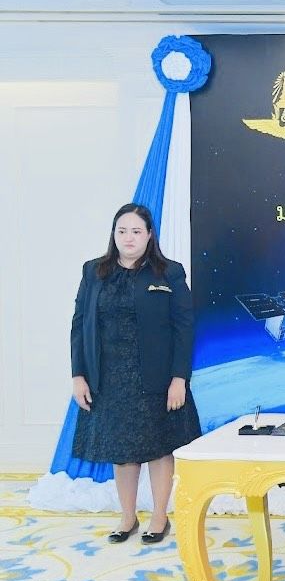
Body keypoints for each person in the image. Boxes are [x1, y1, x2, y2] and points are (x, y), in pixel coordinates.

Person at [70, 203, 200, 545]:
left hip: (157, 379)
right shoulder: (93, 271)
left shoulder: (168, 273)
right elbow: (79, 324)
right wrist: (78, 374)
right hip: (108, 379)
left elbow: (184, 328)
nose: (129, 238)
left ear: (149, 235)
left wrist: (179, 378)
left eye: (136, 231)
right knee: (122, 451)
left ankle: (159, 517)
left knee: (159, 448)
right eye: (122, 231)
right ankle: (127, 517)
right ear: (114, 234)